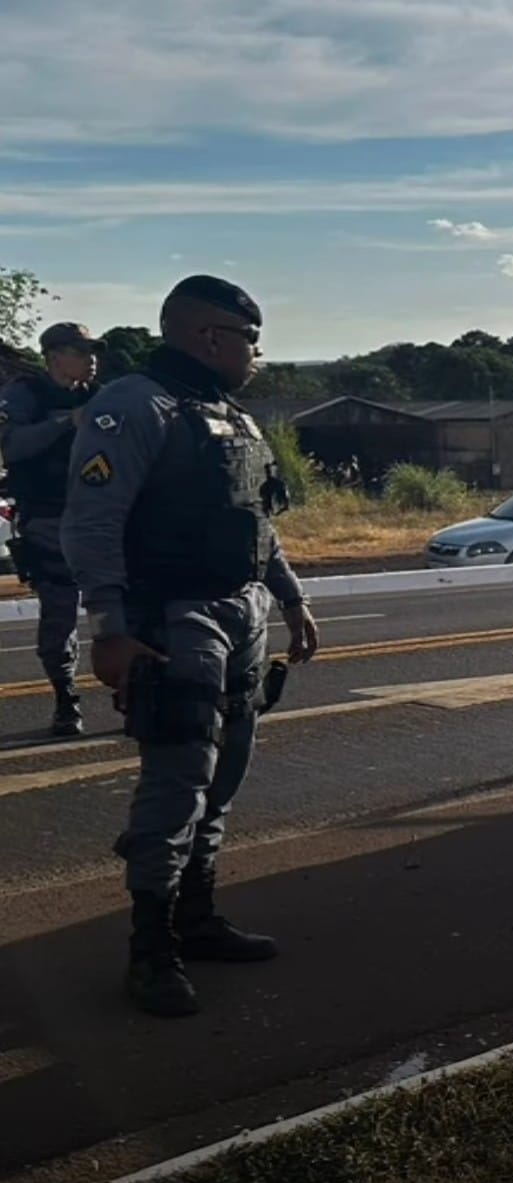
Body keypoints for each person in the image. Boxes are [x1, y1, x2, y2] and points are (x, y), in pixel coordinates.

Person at [62, 275, 320, 1017]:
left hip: (243, 613)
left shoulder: (231, 418)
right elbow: (92, 524)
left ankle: (197, 918)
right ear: (210, 337)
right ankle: (151, 951)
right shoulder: (132, 407)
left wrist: (292, 600)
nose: (255, 358)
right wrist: (110, 629)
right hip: (173, 621)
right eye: (249, 342)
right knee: (177, 783)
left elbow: (258, 524)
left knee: (225, 776)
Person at [0, 323, 103, 736]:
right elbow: (11, 447)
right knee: (59, 615)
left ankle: (135, 691)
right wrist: (68, 423)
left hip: (100, 518)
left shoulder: (102, 396)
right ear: (55, 356)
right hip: (47, 519)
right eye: (81, 351)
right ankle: (66, 698)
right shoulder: (24, 395)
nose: (92, 358)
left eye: (94, 351)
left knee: (128, 607)